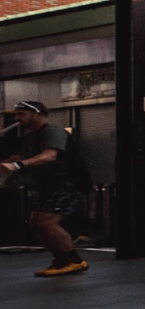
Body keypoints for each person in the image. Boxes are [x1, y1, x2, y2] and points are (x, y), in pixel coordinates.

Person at [2, 100, 87, 277]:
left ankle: (74, 262)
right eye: (17, 114)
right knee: (36, 223)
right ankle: (61, 260)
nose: (17, 119)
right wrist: (8, 163)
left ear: (39, 114)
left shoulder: (53, 131)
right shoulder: (32, 137)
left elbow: (49, 156)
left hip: (66, 184)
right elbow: (21, 157)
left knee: (47, 222)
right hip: (47, 186)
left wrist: (17, 165)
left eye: (22, 114)